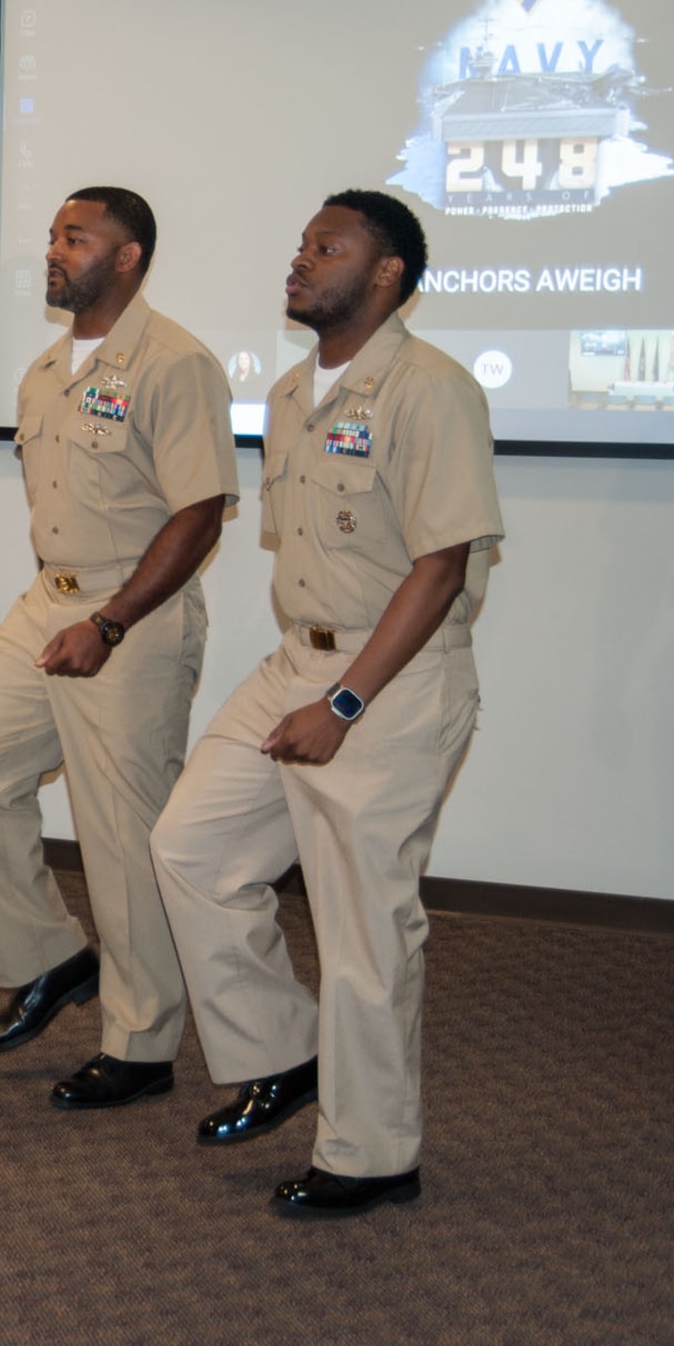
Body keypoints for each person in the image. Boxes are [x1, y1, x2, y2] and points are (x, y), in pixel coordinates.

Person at [150, 190, 504, 1218]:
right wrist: (316, 686)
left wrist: (343, 700)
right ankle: (285, 1051)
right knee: (190, 849)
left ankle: (371, 1152)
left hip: (386, 680)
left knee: (362, 929)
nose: (298, 262)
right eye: (299, 244)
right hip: (295, 661)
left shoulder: (428, 390)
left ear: (385, 274)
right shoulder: (300, 388)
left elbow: (437, 567)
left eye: (325, 248)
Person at [0, 187, 236, 1107]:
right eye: (54, 236)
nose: (53, 252)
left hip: (130, 614)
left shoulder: (175, 363)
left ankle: (141, 1044)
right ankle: (55, 956)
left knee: (118, 833)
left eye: (76, 238)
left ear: (129, 256)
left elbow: (199, 514)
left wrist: (110, 623)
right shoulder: (44, 371)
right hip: (47, 601)